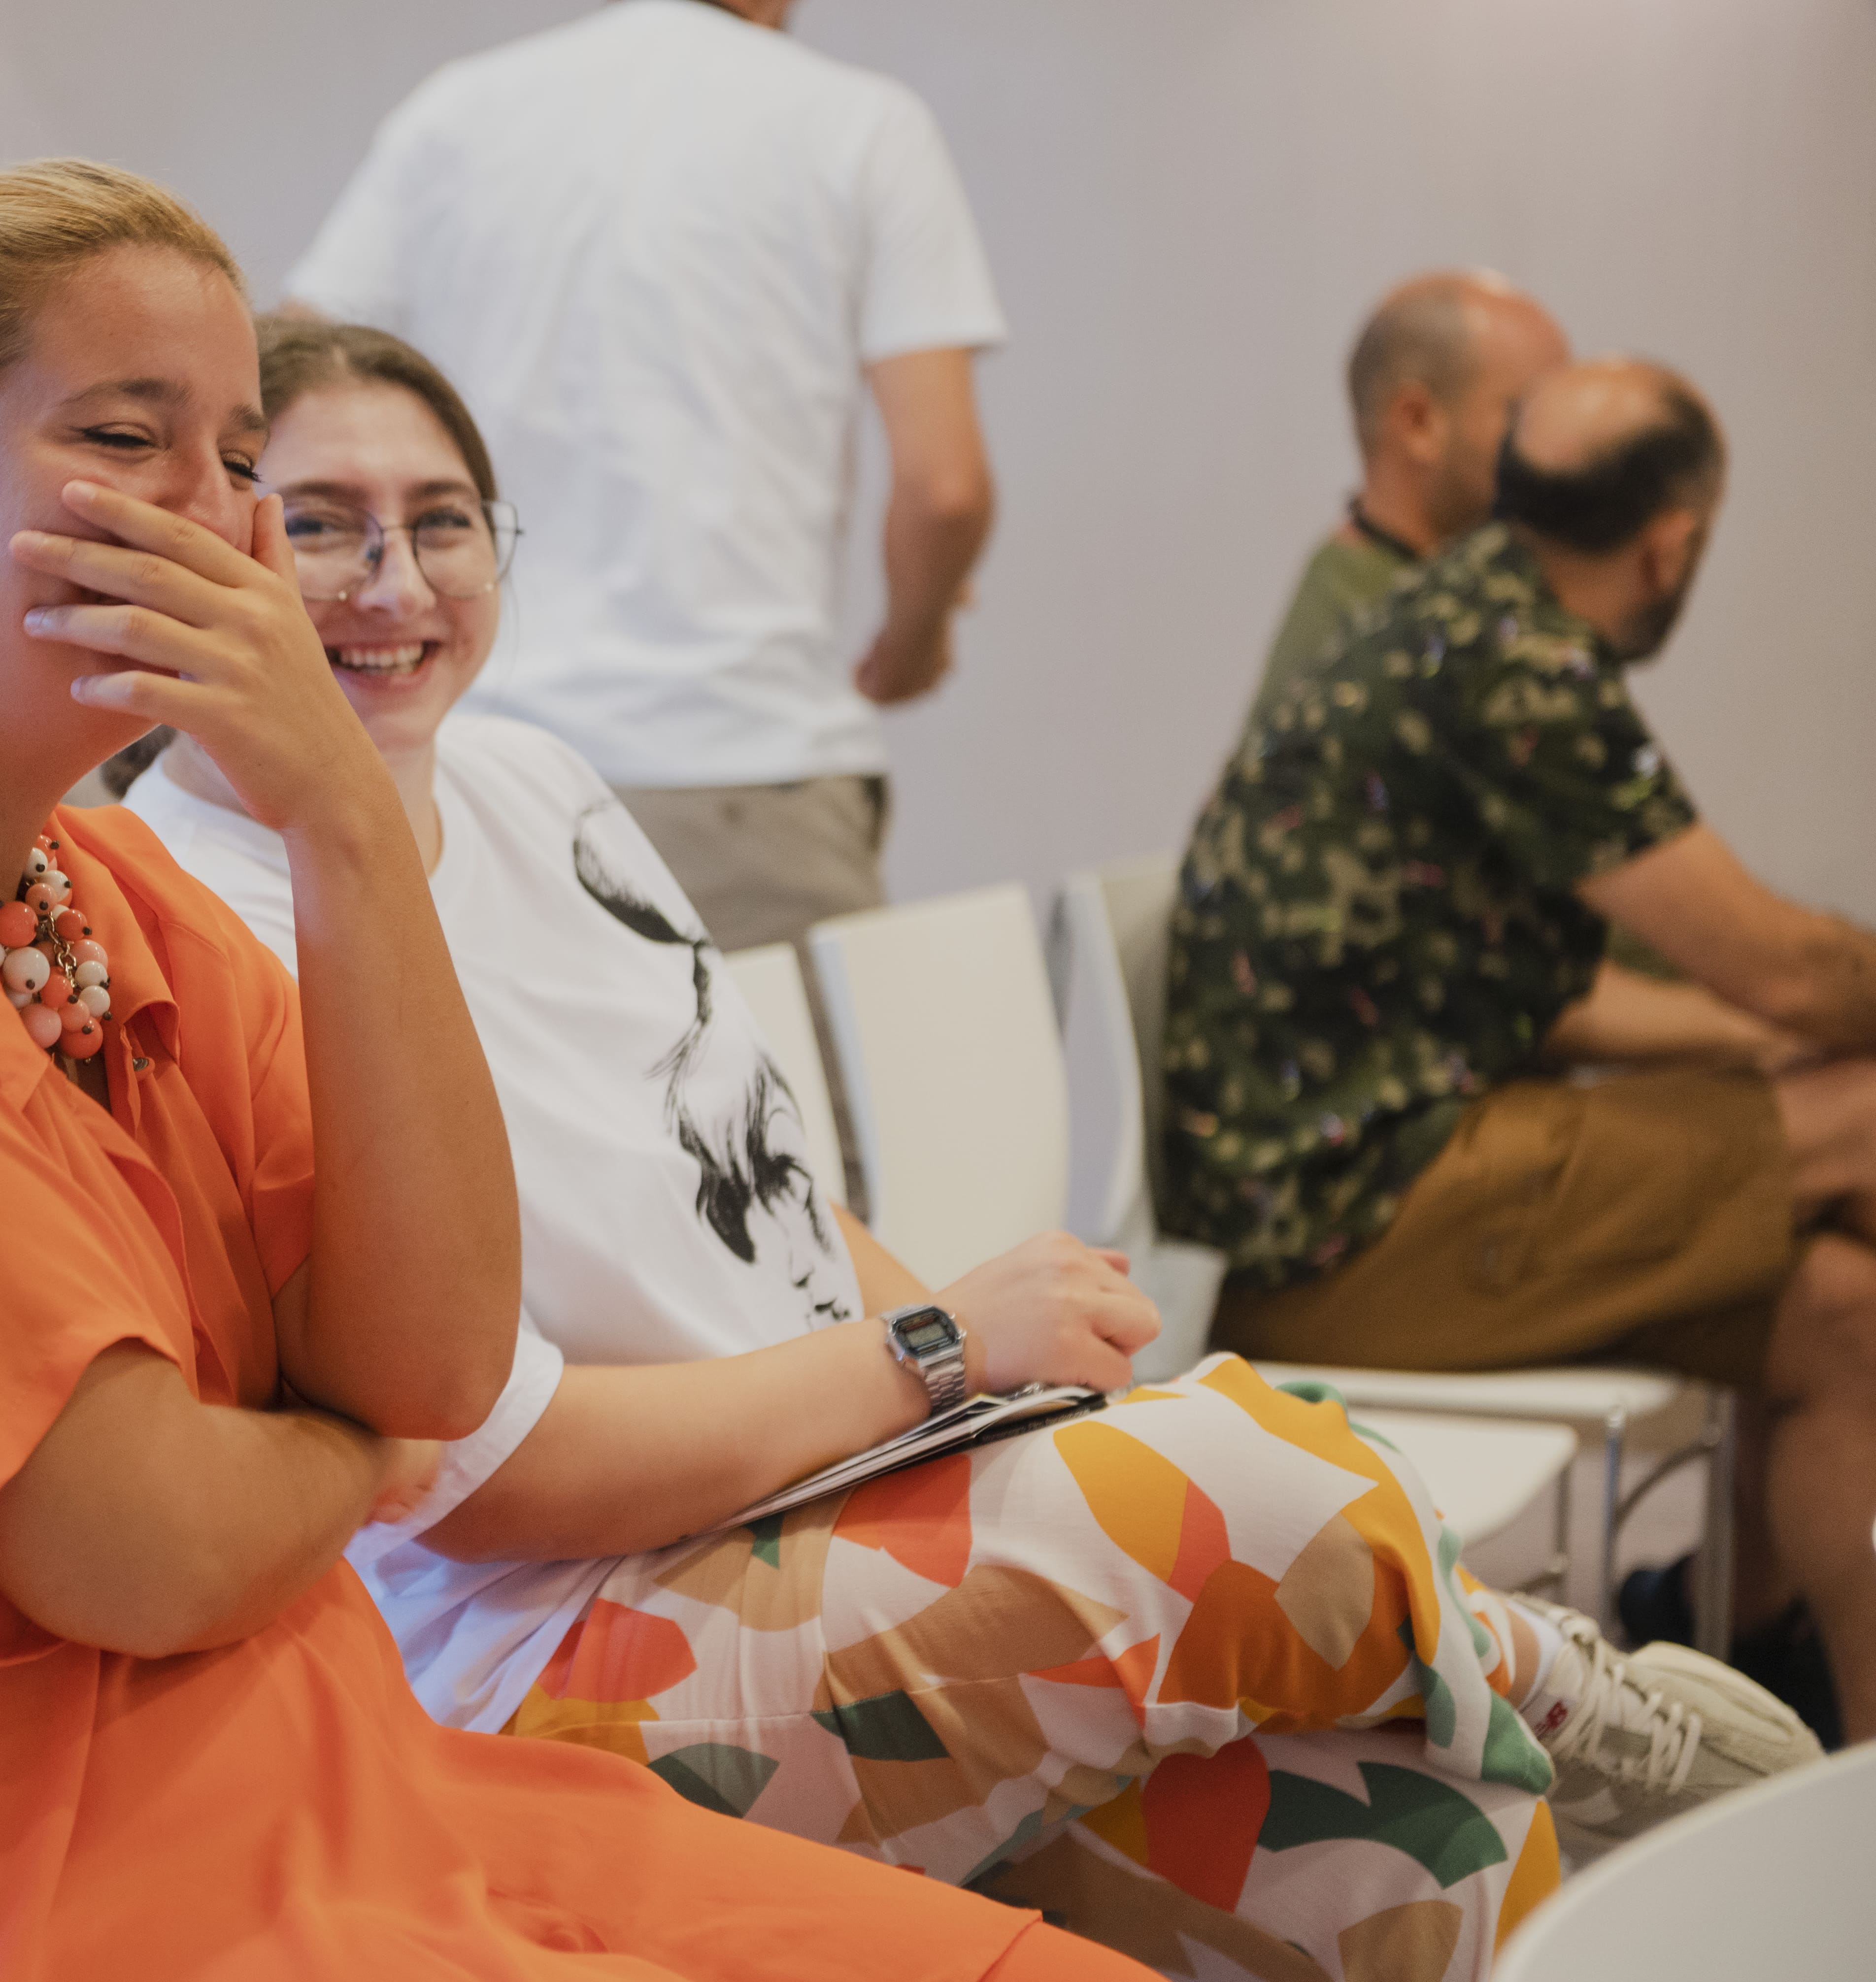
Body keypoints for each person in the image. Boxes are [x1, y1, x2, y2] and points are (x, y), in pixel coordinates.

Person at [0, 161, 1157, 1982]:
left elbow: (433, 1360)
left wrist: (340, 813)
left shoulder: (109, 893)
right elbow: (148, 1543)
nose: (214, 517)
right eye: (122, 437)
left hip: (324, 1790)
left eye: (235, 456)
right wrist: (365, 1448)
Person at [121, 320, 1815, 1979]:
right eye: (321, 522)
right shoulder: (183, 913)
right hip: (558, 1650)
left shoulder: (533, 782)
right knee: (1236, 1486)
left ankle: (1513, 1713)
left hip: (825, 1502)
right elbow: (498, 1483)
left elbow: (773, 1194)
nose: (393, 580)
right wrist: (938, 1354)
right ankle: (1556, 1686)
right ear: (217, 546)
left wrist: (987, 1413)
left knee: (1410, 1835)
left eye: (441, 520)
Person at [1162, 356, 1876, 1751]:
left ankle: (1813, 1741)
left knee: (1843, 1314)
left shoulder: (1463, 609)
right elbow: (1782, 965)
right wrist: (1783, 1020)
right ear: (1671, 543)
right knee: (1859, 1114)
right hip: (1343, 1225)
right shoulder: (1518, 663)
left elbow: (1570, 999)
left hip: (1363, 1174)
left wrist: (1763, 1035)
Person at [282, 0, 1003, 950]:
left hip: (472, 760)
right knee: (765, 1057)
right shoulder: (861, 124)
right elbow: (945, 489)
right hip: (744, 775)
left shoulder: (458, 112)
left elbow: (283, 380)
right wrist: (912, 642)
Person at [1248, 271, 1571, 718]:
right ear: (1418, 423)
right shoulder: (1372, 649)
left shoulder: (1409, 595)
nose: (1558, 449)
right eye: (1525, 414)